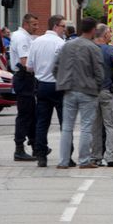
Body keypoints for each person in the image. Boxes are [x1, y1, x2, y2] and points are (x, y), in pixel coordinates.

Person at [54, 18, 105, 169]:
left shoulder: (67, 46)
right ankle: (84, 160)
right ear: (93, 30)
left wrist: (61, 81)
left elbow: (55, 67)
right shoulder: (93, 48)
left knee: (67, 127)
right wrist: (97, 86)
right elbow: (99, 73)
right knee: (86, 126)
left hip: (69, 89)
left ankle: (63, 161)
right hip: (87, 91)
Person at [27, 14, 69, 167]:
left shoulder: (36, 42)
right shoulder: (61, 43)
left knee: (42, 122)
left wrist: (41, 70)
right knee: (65, 122)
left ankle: (41, 156)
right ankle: (67, 156)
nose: (65, 29)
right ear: (56, 26)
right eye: (63, 26)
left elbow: (29, 67)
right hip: (58, 86)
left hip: (41, 85)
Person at [89, 24, 113, 167]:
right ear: (104, 35)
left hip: (91, 93)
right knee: (111, 124)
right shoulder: (111, 51)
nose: (111, 35)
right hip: (106, 92)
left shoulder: (88, 49)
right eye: (109, 32)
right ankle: (110, 157)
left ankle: (95, 156)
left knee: (95, 126)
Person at [9, 14, 39, 161]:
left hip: (24, 79)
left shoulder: (22, 36)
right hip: (24, 78)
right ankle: (19, 149)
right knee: (25, 115)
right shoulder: (22, 38)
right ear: (26, 24)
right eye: (34, 24)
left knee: (31, 114)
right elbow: (25, 63)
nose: (36, 27)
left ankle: (35, 145)